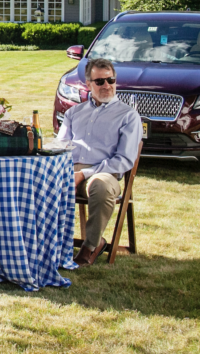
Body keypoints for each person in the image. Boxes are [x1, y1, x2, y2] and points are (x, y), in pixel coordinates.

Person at [58, 57, 142, 267]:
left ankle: (92, 245)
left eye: (111, 80)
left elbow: (123, 160)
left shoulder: (128, 116)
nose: (107, 86)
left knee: (100, 186)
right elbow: (60, 148)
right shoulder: (73, 113)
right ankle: (44, 243)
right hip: (70, 170)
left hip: (106, 173)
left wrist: (83, 175)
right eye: (100, 82)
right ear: (88, 85)